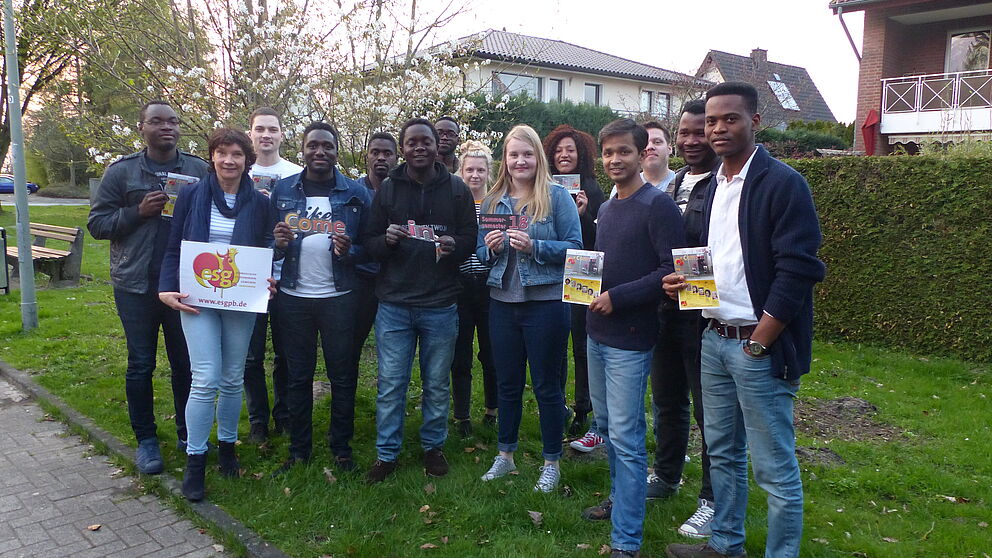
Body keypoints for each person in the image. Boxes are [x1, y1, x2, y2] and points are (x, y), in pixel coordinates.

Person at [664, 82, 825, 558]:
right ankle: (725, 545)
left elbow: (799, 267)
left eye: (729, 119)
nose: (717, 129)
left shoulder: (783, 183)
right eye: (711, 121)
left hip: (758, 347)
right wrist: (684, 283)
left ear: (755, 122)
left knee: (774, 468)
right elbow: (716, 258)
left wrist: (761, 339)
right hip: (712, 337)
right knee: (723, 454)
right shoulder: (711, 186)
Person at [579, 119, 684, 558]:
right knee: (607, 429)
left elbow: (669, 270)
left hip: (631, 336)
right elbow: (604, 263)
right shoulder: (607, 207)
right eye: (608, 153)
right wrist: (583, 286)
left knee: (626, 434)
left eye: (623, 151)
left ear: (643, 154)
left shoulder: (658, 206)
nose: (615, 160)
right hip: (596, 333)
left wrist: (616, 298)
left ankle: (626, 541)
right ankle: (621, 499)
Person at [87, 100, 209, 475]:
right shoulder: (122, 173)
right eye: (157, 121)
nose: (167, 127)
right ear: (141, 127)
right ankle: (147, 441)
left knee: (184, 365)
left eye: (173, 121)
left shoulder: (198, 169)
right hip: (135, 284)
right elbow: (97, 224)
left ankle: (189, 435)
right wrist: (137, 213)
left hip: (181, 285)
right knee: (141, 364)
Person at [158, 128, 276, 501]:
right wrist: (165, 287)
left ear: (247, 160)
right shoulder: (192, 195)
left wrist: (270, 277)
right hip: (197, 296)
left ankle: (227, 447)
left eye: (236, 154)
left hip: (240, 298)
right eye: (222, 153)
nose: (229, 160)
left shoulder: (259, 202)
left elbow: (267, 247)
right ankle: (196, 458)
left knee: (231, 376)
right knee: (205, 376)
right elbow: (173, 245)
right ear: (212, 157)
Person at [361, 118, 478, 484]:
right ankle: (387, 454)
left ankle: (433, 447)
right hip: (395, 303)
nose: (420, 147)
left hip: (441, 303)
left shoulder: (456, 190)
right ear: (404, 148)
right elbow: (369, 241)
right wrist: (387, 241)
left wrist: (454, 245)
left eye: (425, 141)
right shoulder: (389, 190)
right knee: (391, 383)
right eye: (412, 142)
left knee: (437, 383)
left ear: (435, 146)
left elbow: (469, 238)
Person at [477, 125, 582, 493]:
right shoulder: (492, 201)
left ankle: (551, 461)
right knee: (506, 384)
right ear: (504, 160)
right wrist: (488, 248)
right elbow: (478, 253)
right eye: (513, 154)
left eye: (527, 154)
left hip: (546, 304)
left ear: (538, 157)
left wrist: (534, 246)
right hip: (502, 303)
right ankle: (505, 455)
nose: (520, 161)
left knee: (546, 386)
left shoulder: (556, 198)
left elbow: (575, 247)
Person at [269, 122, 372, 474]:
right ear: (303, 149)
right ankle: (299, 449)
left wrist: (350, 251)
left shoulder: (356, 194)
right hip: (293, 297)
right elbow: (268, 246)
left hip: (339, 297)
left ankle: (341, 448)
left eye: (327, 146)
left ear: (336, 151)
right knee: (297, 376)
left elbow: (370, 247)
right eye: (313, 145)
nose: (320, 152)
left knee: (342, 375)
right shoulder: (282, 190)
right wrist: (278, 245)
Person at [648, 100, 722, 538]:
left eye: (701, 131)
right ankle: (667, 475)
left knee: (708, 411)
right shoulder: (672, 184)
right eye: (686, 132)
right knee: (668, 401)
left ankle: (712, 499)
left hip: (705, 317)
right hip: (666, 311)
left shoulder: (725, 184)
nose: (693, 140)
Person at [543, 124, 607, 448]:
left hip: (583, 272)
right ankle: (559, 406)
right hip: (553, 271)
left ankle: (584, 407)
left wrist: (583, 214)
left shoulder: (593, 190)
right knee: (555, 340)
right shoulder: (544, 188)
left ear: (580, 153)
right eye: (558, 150)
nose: (564, 155)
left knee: (581, 343)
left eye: (570, 150)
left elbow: (596, 242)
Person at [243, 107, 303, 443]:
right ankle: (257, 420)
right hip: (247, 277)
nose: (266, 135)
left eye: (273, 129)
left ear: (282, 135)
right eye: (260, 129)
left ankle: (284, 415)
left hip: (285, 277)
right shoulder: (238, 170)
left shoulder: (295, 174)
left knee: (285, 353)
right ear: (251, 133)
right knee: (250, 355)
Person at [451, 140, 498, 437]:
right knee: (460, 352)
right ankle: (462, 414)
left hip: (490, 285)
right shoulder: (453, 201)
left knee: (492, 351)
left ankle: (493, 408)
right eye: (470, 169)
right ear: (461, 171)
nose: (475, 175)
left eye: (481, 170)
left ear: (488, 172)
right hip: (458, 285)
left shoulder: (496, 203)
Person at [349, 132, 399, 388]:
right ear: (367, 156)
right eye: (375, 152)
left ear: (396, 157)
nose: (381, 157)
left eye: (387, 153)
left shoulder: (403, 191)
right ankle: (346, 401)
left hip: (394, 281)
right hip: (361, 280)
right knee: (352, 345)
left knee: (393, 350)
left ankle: (389, 397)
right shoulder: (353, 192)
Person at [609, 122, 675, 197]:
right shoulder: (622, 189)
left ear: (669, 149)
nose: (650, 147)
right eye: (645, 143)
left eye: (657, 142)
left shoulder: (682, 184)